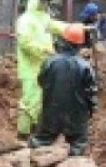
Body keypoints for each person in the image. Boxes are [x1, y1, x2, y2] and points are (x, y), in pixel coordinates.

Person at [29, 24, 96, 156]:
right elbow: (91, 92)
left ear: (63, 40)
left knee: (41, 140)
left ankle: (32, 166)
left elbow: (41, 81)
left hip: (51, 111)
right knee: (78, 144)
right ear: (79, 45)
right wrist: (91, 109)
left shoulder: (49, 62)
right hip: (77, 114)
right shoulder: (85, 66)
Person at [15, 0, 62, 139]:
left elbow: (56, 26)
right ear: (36, 1)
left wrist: (75, 28)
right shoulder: (25, 20)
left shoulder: (44, 18)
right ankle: (23, 133)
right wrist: (45, 51)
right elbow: (25, 43)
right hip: (30, 67)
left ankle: (36, 129)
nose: (45, 4)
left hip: (45, 65)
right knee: (30, 100)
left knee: (42, 99)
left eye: (46, 2)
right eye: (42, 1)